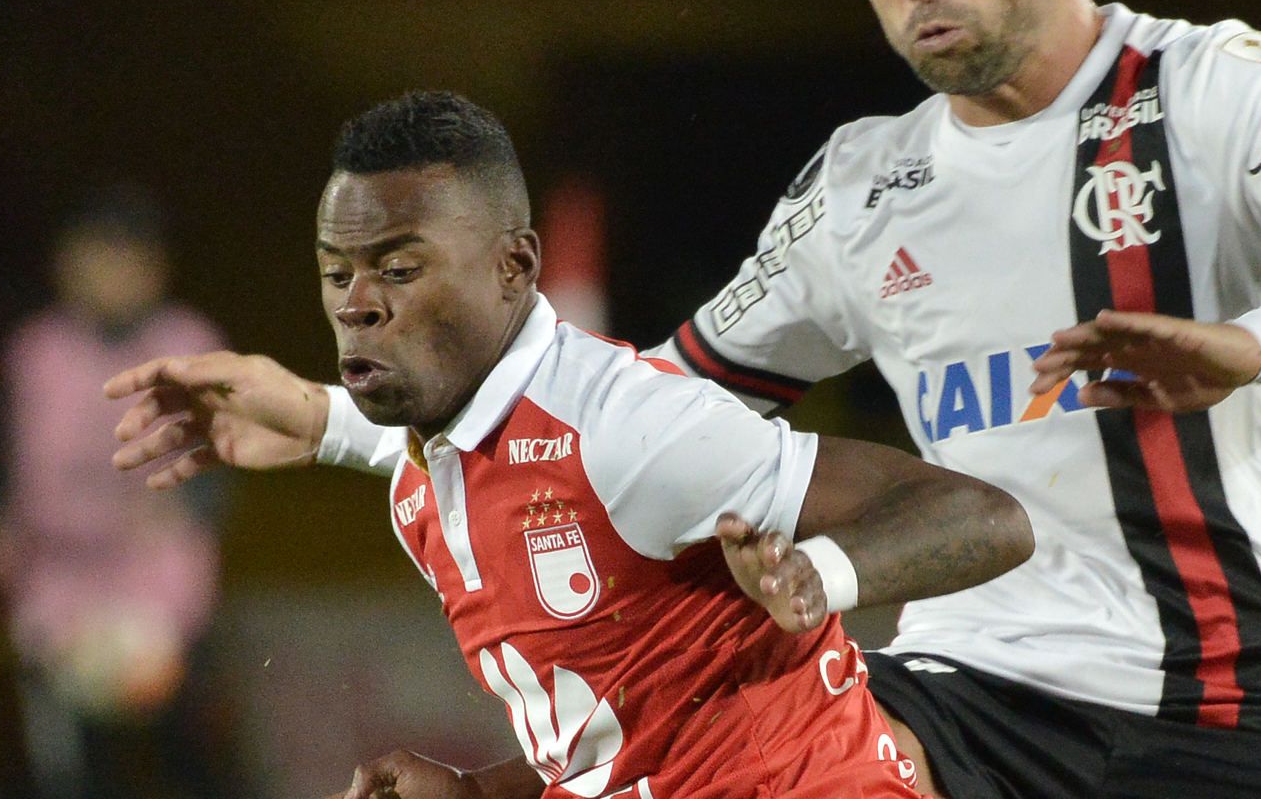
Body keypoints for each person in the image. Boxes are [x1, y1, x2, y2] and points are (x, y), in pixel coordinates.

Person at [119, 0, 1261, 799]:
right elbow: (618, 420)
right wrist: (327, 422)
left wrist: (1253, 344)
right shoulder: (863, 186)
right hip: (963, 710)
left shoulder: (1200, 91)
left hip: (1230, 719)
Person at [106, 91, 1035, 798]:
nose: (358, 303)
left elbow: (986, 517)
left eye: (396, 268)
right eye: (334, 272)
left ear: (514, 266)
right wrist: (476, 790)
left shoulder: (630, 428)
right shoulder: (429, 478)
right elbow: (624, 729)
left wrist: (816, 577)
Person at [0, 186, 235, 799]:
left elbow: (229, 461)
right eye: (93, 254)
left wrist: (192, 507)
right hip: (58, 581)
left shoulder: (191, 341)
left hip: (157, 581)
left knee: (184, 746)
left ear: (154, 267)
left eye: (124, 256)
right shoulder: (35, 350)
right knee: (68, 764)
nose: (107, 272)